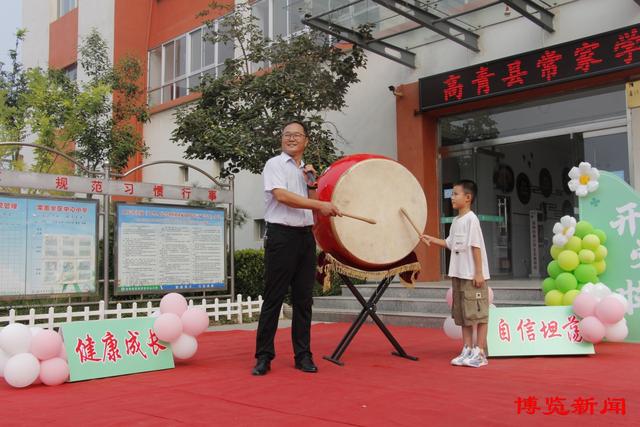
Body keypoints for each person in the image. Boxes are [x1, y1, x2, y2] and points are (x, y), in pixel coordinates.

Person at [252, 120, 341, 376]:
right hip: (280, 236)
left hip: (304, 237)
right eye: (287, 135)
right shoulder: (274, 164)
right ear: (282, 139)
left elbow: (314, 205)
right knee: (274, 298)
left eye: (296, 135)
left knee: (304, 300)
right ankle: (263, 356)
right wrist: (320, 206)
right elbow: (282, 196)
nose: (291, 138)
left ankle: (303, 355)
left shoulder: (308, 171)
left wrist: (313, 185)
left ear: (306, 141)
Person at [422, 180, 490, 367]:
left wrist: (479, 273)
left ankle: (480, 352)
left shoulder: (471, 219)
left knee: (479, 314)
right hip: (458, 274)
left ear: (467, 198)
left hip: (471, 275)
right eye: (451, 194)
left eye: (455, 194)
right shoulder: (456, 221)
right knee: (463, 315)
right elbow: (450, 243)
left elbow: (476, 247)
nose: (451, 197)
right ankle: (467, 348)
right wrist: (432, 239)